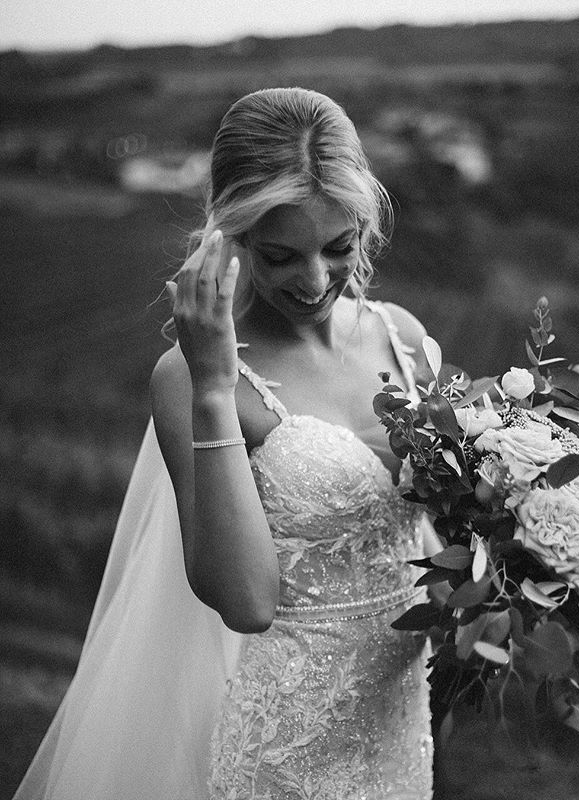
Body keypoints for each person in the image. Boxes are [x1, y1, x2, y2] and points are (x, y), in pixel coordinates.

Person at [14, 87, 434, 800]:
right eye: (279, 256)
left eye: (339, 248)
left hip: (402, 725)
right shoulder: (193, 380)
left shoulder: (406, 337)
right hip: (289, 751)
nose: (313, 281)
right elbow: (245, 601)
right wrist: (212, 387)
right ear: (230, 234)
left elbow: (438, 541)